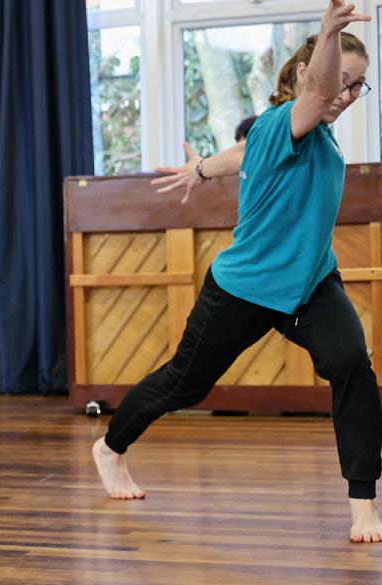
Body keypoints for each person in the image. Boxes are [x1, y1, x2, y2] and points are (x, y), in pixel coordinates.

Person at [103, 0, 382, 544]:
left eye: (358, 86)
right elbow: (317, 95)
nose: (346, 95)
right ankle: (110, 447)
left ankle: (362, 499)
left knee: (352, 362)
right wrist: (328, 31)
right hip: (245, 287)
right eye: (341, 82)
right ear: (304, 73)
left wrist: (202, 169)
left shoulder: (302, 133)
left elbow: (240, 153)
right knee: (184, 384)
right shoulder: (288, 118)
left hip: (310, 285)